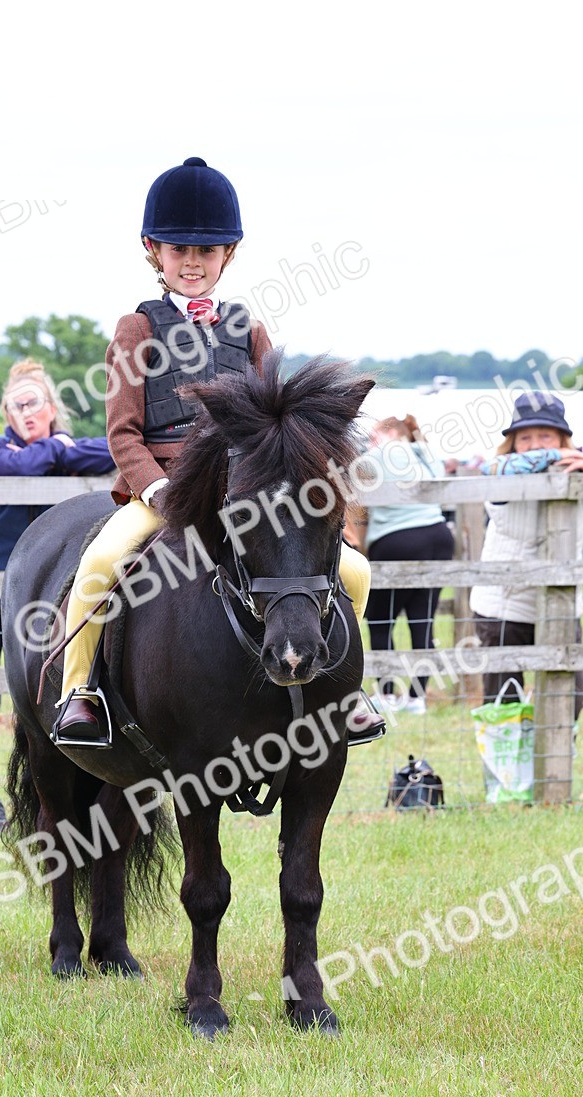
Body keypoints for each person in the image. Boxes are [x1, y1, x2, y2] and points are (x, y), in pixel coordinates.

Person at [53, 156, 384, 745]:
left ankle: (344, 691)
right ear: (153, 251)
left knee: (354, 571)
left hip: (241, 495)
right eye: (179, 250)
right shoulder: (136, 329)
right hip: (162, 493)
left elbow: (276, 421)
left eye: (206, 251)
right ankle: (80, 694)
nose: (192, 262)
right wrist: (159, 489)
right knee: (101, 563)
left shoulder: (249, 331)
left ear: (227, 254)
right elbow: (123, 433)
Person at [0, 358, 115, 833]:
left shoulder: (71, 446)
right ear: (6, 413)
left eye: (34, 403)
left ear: (52, 407)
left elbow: (109, 451)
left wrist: (60, 449)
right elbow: (14, 465)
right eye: (16, 406)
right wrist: (58, 449)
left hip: (46, 593)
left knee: (43, 692)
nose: (25, 413)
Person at [469, 391, 583, 709]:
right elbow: (493, 468)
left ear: (562, 437)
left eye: (545, 435)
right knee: (503, 702)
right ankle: (511, 745)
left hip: (561, 603)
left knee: (573, 694)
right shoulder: (503, 475)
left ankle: (549, 741)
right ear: (513, 443)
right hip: (504, 607)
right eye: (525, 438)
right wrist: (555, 455)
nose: (534, 445)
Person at [361, 415, 455, 713]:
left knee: (380, 619)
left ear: (390, 434)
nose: (369, 443)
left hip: (397, 539)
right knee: (422, 619)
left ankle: (387, 694)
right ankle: (417, 698)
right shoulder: (425, 453)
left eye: (373, 437)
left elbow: (349, 477)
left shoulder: (379, 454)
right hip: (438, 536)